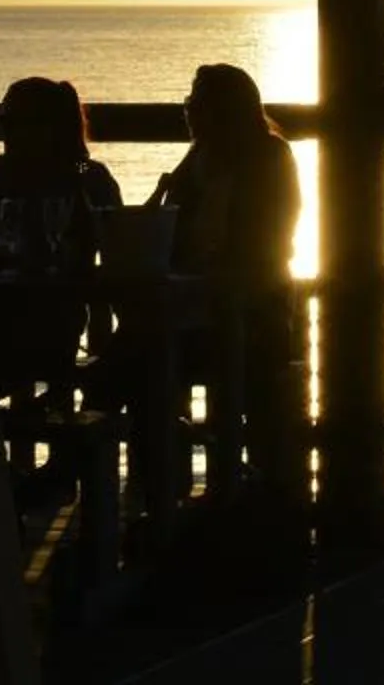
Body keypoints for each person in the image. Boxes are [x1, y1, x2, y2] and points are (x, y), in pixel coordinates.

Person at [0, 78, 127, 399]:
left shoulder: (85, 175)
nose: (3, 129)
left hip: (45, 329)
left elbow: (119, 253)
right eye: (2, 120)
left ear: (49, 127)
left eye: (11, 121)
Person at [146, 64, 300, 485]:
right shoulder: (196, 160)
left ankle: (219, 484)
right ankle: (165, 481)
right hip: (198, 310)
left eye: (197, 101)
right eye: (189, 101)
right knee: (148, 353)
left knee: (153, 355)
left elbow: (268, 244)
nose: (190, 110)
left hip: (254, 316)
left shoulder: (270, 157)